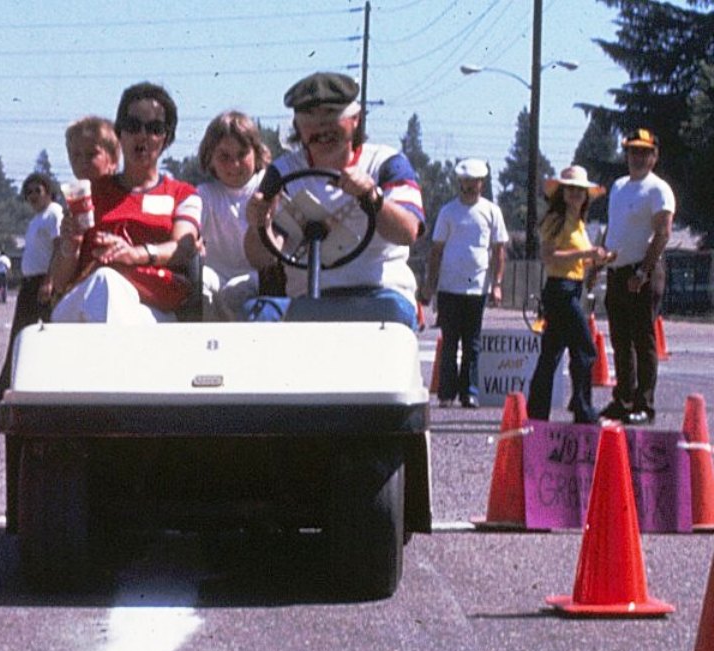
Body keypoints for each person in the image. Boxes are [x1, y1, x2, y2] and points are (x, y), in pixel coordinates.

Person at [243, 72, 424, 327]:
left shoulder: (386, 164)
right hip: (308, 297)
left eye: (332, 118)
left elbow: (408, 231)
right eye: (311, 123)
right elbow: (260, 258)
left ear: (355, 120)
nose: (322, 130)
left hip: (378, 293)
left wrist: (373, 197)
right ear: (298, 128)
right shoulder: (283, 173)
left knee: (391, 312)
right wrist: (260, 224)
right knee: (257, 315)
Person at [51, 82, 201, 324]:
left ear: (167, 138)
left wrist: (134, 254)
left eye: (154, 128)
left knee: (109, 288)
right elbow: (59, 281)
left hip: (150, 307)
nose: (142, 135)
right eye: (133, 126)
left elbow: (183, 247)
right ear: (120, 133)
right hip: (85, 301)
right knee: (105, 285)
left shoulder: (182, 195)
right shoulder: (89, 193)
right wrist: (71, 245)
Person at [598, 128, 676, 425]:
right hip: (617, 270)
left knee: (642, 338)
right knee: (620, 338)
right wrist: (599, 263)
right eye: (633, 151)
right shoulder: (618, 186)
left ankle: (645, 403)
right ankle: (623, 398)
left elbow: (663, 232)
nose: (638, 157)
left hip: (642, 271)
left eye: (644, 152)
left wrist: (643, 271)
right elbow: (612, 229)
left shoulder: (658, 189)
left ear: (654, 156)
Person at [527, 166, 615, 423]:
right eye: (572, 189)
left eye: (580, 191)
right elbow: (548, 256)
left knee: (553, 351)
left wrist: (599, 259)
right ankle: (582, 408)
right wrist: (586, 255)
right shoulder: (557, 219)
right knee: (585, 348)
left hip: (571, 288)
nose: (576, 194)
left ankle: (538, 412)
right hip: (560, 290)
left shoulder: (578, 223)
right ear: (563, 193)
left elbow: (574, 260)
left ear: (587, 196)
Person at [418, 158, 508, 409]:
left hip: (477, 287)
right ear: (459, 182)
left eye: (474, 182)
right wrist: (430, 285)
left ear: (482, 184)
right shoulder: (448, 212)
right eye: (465, 182)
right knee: (449, 342)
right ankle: (446, 393)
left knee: (473, 343)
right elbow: (436, 251)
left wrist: (496, 284)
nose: (469, 187)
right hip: (449, 287)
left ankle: (470, 392)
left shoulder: (492, 211)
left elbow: (499, 250)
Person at [0, 172, 63, 402]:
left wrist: (50, 280)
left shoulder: (54, 214)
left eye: (37, 191)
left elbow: (59, 249)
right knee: (19, 335)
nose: (32, 196)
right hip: (29, 284)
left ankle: (56, 386)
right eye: (28, 193)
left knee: (50, 334)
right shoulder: (35, 220)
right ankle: (5, 388)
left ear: (48, 191)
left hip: (44, 283)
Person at [196, 111, 271, 320]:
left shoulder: (268, 187)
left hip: (257, 280)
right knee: (200, 280)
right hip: (218, 279)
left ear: (256, 153)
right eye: (224, 157)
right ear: (210, 159)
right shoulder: (204, 195)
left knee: (236, 291)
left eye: (242, 155)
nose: (234, 165)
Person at [46, 116, 120, 301]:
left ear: (113, 160)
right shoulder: (73, 206)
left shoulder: (123, 200)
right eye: (76, 155)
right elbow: (60, 281)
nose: (82, 162)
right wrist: (70, 248)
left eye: (91, 154)